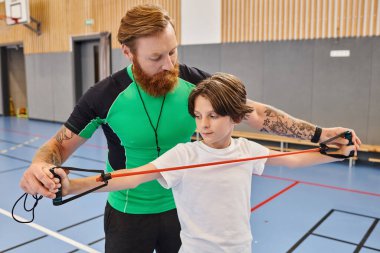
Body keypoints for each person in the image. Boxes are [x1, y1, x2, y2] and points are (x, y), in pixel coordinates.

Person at [19, 4, 360, 253]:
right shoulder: (104, 96)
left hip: (184, 212)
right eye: (156, 58)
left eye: (173, 51)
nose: (169, 64)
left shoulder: (193, 81)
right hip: (126, 212)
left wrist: (319, 135)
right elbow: (58, 147)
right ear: (127, 53)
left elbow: (254, 113)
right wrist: (40, 167)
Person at [51, 72, 355, 253]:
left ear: (236, 117)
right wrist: (73, 186)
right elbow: (131, 176)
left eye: (213, 115)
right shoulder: (184, 155)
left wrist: (332, 152)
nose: (204, 124)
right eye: (198, 116)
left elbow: (291, 160)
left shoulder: (246, 150)